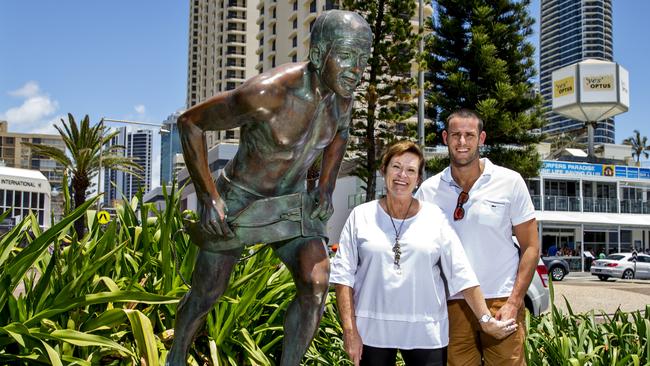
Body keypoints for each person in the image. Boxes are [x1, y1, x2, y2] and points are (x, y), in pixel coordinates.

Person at [166, 10, 372, 366]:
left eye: (363, 59)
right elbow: (191, 124)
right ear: (321, 52)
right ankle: (176, 356)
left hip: (291, 204)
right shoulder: (267, 93)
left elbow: (340, 136)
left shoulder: (343, 95)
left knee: (317, 282)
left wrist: (325, 186)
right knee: (207, 294)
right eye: (347, 55)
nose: (356, 68)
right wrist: (208, 195)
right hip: (239, 203)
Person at [331, 141, 517, 366]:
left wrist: (485, 318)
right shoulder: (360, 216)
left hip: (426, 332)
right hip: (372, 331)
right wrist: (350, 331)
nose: (402, 175)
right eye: (396, 167)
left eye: (411, 170)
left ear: (418, 179)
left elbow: (461, 272)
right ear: (384, 170)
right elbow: (343, 278)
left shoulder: (434, 217)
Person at [415, 109, 540, 365]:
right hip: (452, 304)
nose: (462, 142)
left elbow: (531, 246)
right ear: (445, 138)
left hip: (501, 301)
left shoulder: (510, 182)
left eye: (469, 135)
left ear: (481, 138)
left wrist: (514, 303)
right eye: (455, 135)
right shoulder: (428, 191)